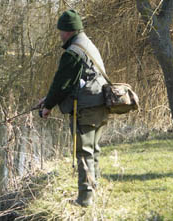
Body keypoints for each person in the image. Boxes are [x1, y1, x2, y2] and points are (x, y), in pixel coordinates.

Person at [37, 9, 109, 207]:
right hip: (100, 105)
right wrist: (48, 99)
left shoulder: (73, 52)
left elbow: (62, 84)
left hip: (86, 108)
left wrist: (48, 106)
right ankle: (93, 191)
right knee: (93, 150)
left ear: (68, 31)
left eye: (61, 31)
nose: (60, 34)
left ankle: (85, 200)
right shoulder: (87, 44)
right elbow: (78, 80)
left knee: (84, 153)